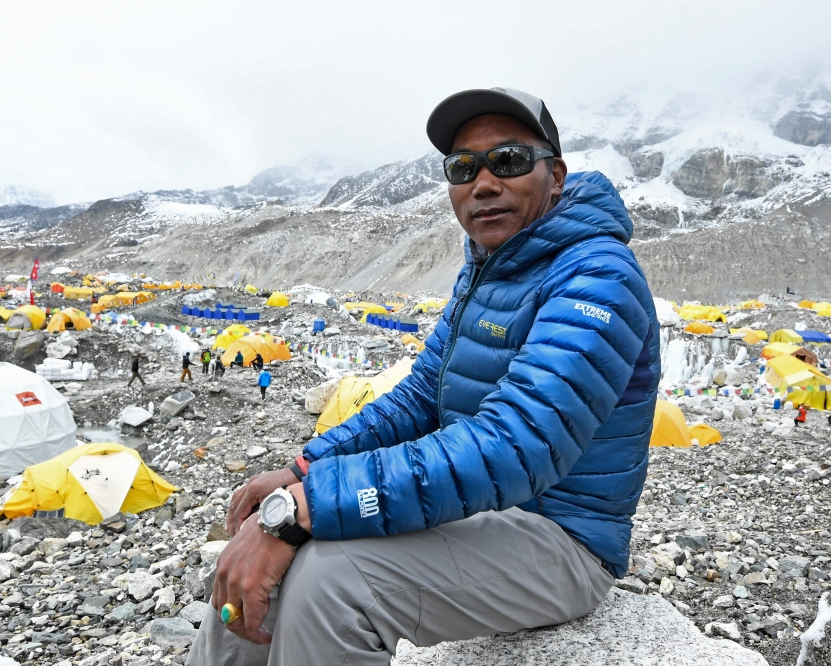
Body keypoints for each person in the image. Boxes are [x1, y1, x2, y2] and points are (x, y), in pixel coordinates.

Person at [189, 87, 660, 666]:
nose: (483, 183)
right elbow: (421, 395)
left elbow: (518, 446)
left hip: (565, 538)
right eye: (462, 167)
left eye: (508, 160)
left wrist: (304, 507)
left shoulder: (596, 275)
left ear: (555, 175)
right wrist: (303, 469)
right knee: (250, 556)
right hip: (485, 509)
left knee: (329, 584)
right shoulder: (490, 269)